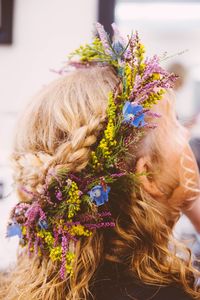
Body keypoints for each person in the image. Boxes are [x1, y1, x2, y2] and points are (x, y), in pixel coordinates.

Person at [0, 23, 200, 300]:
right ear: (147, 176)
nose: (186, 133)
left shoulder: (14, 284)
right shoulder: (169, 295)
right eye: (176, 125)